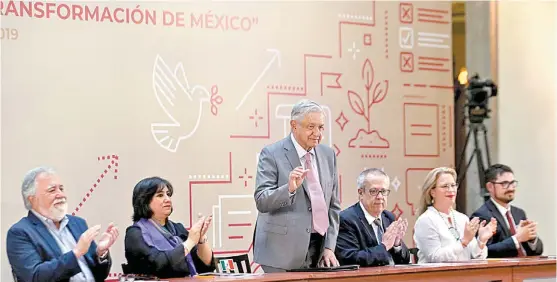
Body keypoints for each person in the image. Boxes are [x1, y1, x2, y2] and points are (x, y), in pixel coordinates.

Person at [253, 99, 341, 272]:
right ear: (294, 125)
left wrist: (329, 247)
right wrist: (289, 189)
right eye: (311, 127)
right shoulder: (271, 153)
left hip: (319, 249)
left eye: (321, 127)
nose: (317, 133)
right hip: (281, 253)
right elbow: (261, 201)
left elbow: (333, 206)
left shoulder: (328, 155)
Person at [7, 166, 119, 282]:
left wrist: (100, 253)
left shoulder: (78, 223)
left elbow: (99, 275)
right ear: (32, 199)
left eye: (61, 189)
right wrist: (76, 253)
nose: (60, 195)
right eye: (52, 190)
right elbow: (35, 277)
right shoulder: (20, 233)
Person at [124, 176, 215, 278]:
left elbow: (206, 267)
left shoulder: (178, 228)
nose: (167, 199)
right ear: (144, 201)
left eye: (168, 194)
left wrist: (201, 239)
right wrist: (190, 242)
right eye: (160, 195)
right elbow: (158, 265)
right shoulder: (135, 233)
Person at [413, 167, 497, 263]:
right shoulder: (426, 220)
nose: (451, 190)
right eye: (445, 186)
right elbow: (435, 258)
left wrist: (481, 241)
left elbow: (476, 257)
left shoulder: (462, 218)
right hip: (437, 276)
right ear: (432, 192)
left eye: (453, 185)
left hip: (465, 275)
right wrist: (464, 242)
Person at [335, 168, 411, 266]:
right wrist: (384, 246)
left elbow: (404, 261)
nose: (380, 196)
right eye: (374, 191)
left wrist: (397, 245)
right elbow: (350, 259)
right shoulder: (346, 219)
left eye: (383, 191)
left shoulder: (388, 217)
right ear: (361, 193)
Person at [471, 164, 543, 258]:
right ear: (490, 187)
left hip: (526, 267)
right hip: (502, 271)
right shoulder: (482, 215)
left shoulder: (519, 213)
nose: (511, 188)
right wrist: (517, 239)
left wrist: (531, 238)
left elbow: (538, 251)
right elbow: (484, 252)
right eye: (504, 184)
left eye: (512, 183)